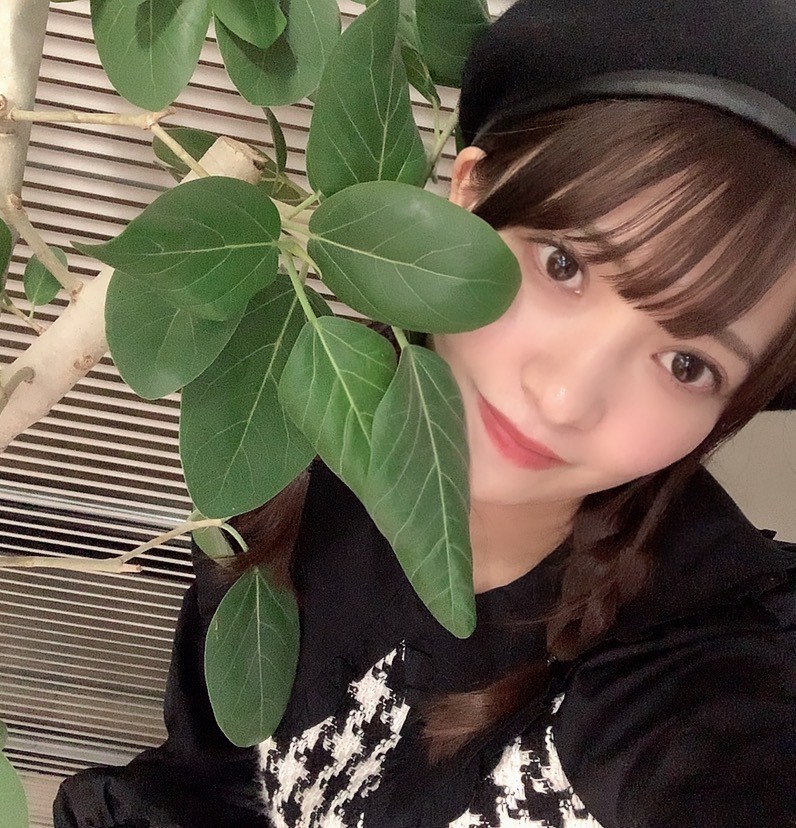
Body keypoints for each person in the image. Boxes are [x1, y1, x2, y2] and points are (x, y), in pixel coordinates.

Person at [54, 0, 796, 826]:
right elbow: (207, 776)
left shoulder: (706, 669)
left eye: (688, 364)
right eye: (563, 264)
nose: (565, 398)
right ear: (468, 196)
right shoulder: (287, 440)